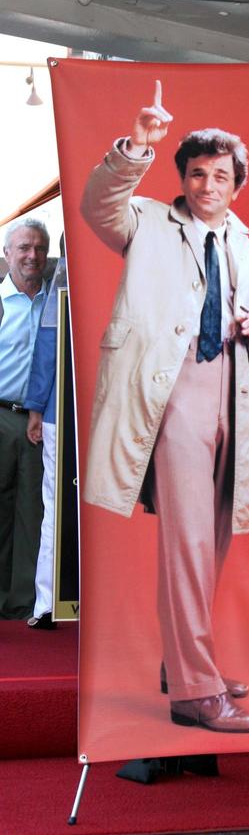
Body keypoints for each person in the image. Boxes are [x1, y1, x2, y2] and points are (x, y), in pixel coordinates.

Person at [80, 81, 249, 734]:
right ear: (183, 177)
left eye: (220, 175)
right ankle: (194, 691)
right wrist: (137, 144)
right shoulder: (146, 222)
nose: (207, 185)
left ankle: (185, 663)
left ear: (236, 183)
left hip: (236, 394)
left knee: (213, 540)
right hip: (175, 394)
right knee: (189, 543)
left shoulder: (248, 249)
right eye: (196, 173)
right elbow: (96, 204)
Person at [0, 218, 49, 620]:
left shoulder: (57, 300)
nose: (32, 256)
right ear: (7, 254)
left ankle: (20, 604)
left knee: (31, 513)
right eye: (23, 248)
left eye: (38, 248)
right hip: (0, 416)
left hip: (39, 422)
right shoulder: (0, 302)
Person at [24, 256, 68, 630]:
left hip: (60, 409)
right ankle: (47, 600)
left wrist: (37, 407)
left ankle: (47, 602)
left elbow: (47, 348)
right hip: (79, 411)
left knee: (55, 505)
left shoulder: (65, 279)